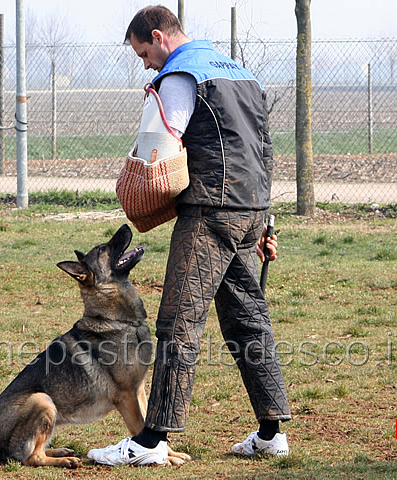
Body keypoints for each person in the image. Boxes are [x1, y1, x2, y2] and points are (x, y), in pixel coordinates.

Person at [88, 5, 291, 466]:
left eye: (143, 53)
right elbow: (262, 147)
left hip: (208, 212)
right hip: (251, 207)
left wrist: (138, 186)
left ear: (158, 37)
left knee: (178, 325)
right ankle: (270, 432)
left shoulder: (180, 76)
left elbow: (158, 147)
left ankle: (150, 441)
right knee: (248, 321)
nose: (145, 63)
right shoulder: (241, 73)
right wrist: (263, 220)